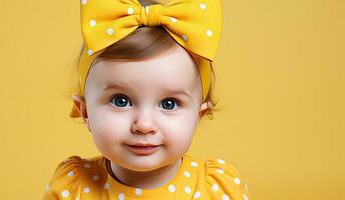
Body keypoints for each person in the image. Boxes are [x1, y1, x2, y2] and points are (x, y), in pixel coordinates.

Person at [43, 0, 251, 199]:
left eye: (168, 104)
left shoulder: (216, 190)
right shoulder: (73, 189)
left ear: (199, 115)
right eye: (120, 101)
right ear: (85, 111)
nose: (144, 125)